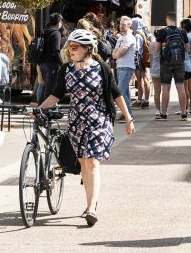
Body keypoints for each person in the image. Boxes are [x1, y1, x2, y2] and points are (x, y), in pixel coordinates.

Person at [37, 29, 134, 227]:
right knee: (83, 164)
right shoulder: (66, 69)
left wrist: (128, 118)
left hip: (99, 119)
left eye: (74, 47)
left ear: (87, 49)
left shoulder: (102, 68)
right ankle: (90, 202)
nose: (70, 50)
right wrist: (39, 109)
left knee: (92, 162)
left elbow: (116, 93)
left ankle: (91, 208)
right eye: (69, 47)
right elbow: (56, 94)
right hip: (76, 122)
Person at [155, 12, 190, 121]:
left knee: (165, 88)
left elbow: (156, 49)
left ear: (167, 19)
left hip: (166, 62)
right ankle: (184, 113)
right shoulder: (182, 32)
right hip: (179, 62)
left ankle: (164, 114)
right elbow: (187, 48)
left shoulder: (162, 32)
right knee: (181, 87)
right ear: (176, 20)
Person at [111, 16, 136, 122]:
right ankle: (127, 113)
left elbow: (120, 52)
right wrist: (116, 53)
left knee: (121, 91)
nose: (121, 26)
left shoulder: (129, 37)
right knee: (125, 91)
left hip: (127, 66)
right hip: (120, 66)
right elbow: (114, 53)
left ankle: (128, 115)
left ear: (130, 25)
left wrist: (116, 53)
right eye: (120, 24)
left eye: (124, 24)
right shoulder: (121, 38)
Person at [39, 13, 63, 101]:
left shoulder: (44, 31)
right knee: (50, 89)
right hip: (52, 64)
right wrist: (62, 63)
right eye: (61, 21)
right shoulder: (56, 33)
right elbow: (56, 50)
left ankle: (40, 109)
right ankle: (46, 110)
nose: (61, 23)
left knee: (45, 87)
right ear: (58, 22)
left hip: (42, 63)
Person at [132, 16, 150, 109]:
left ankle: (140, 99)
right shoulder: (144, 33)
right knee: (146, 79)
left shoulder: (137, 35)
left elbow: (136, 49)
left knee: (140, 80)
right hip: (145, 59)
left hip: (139, 60)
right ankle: (146, 99)